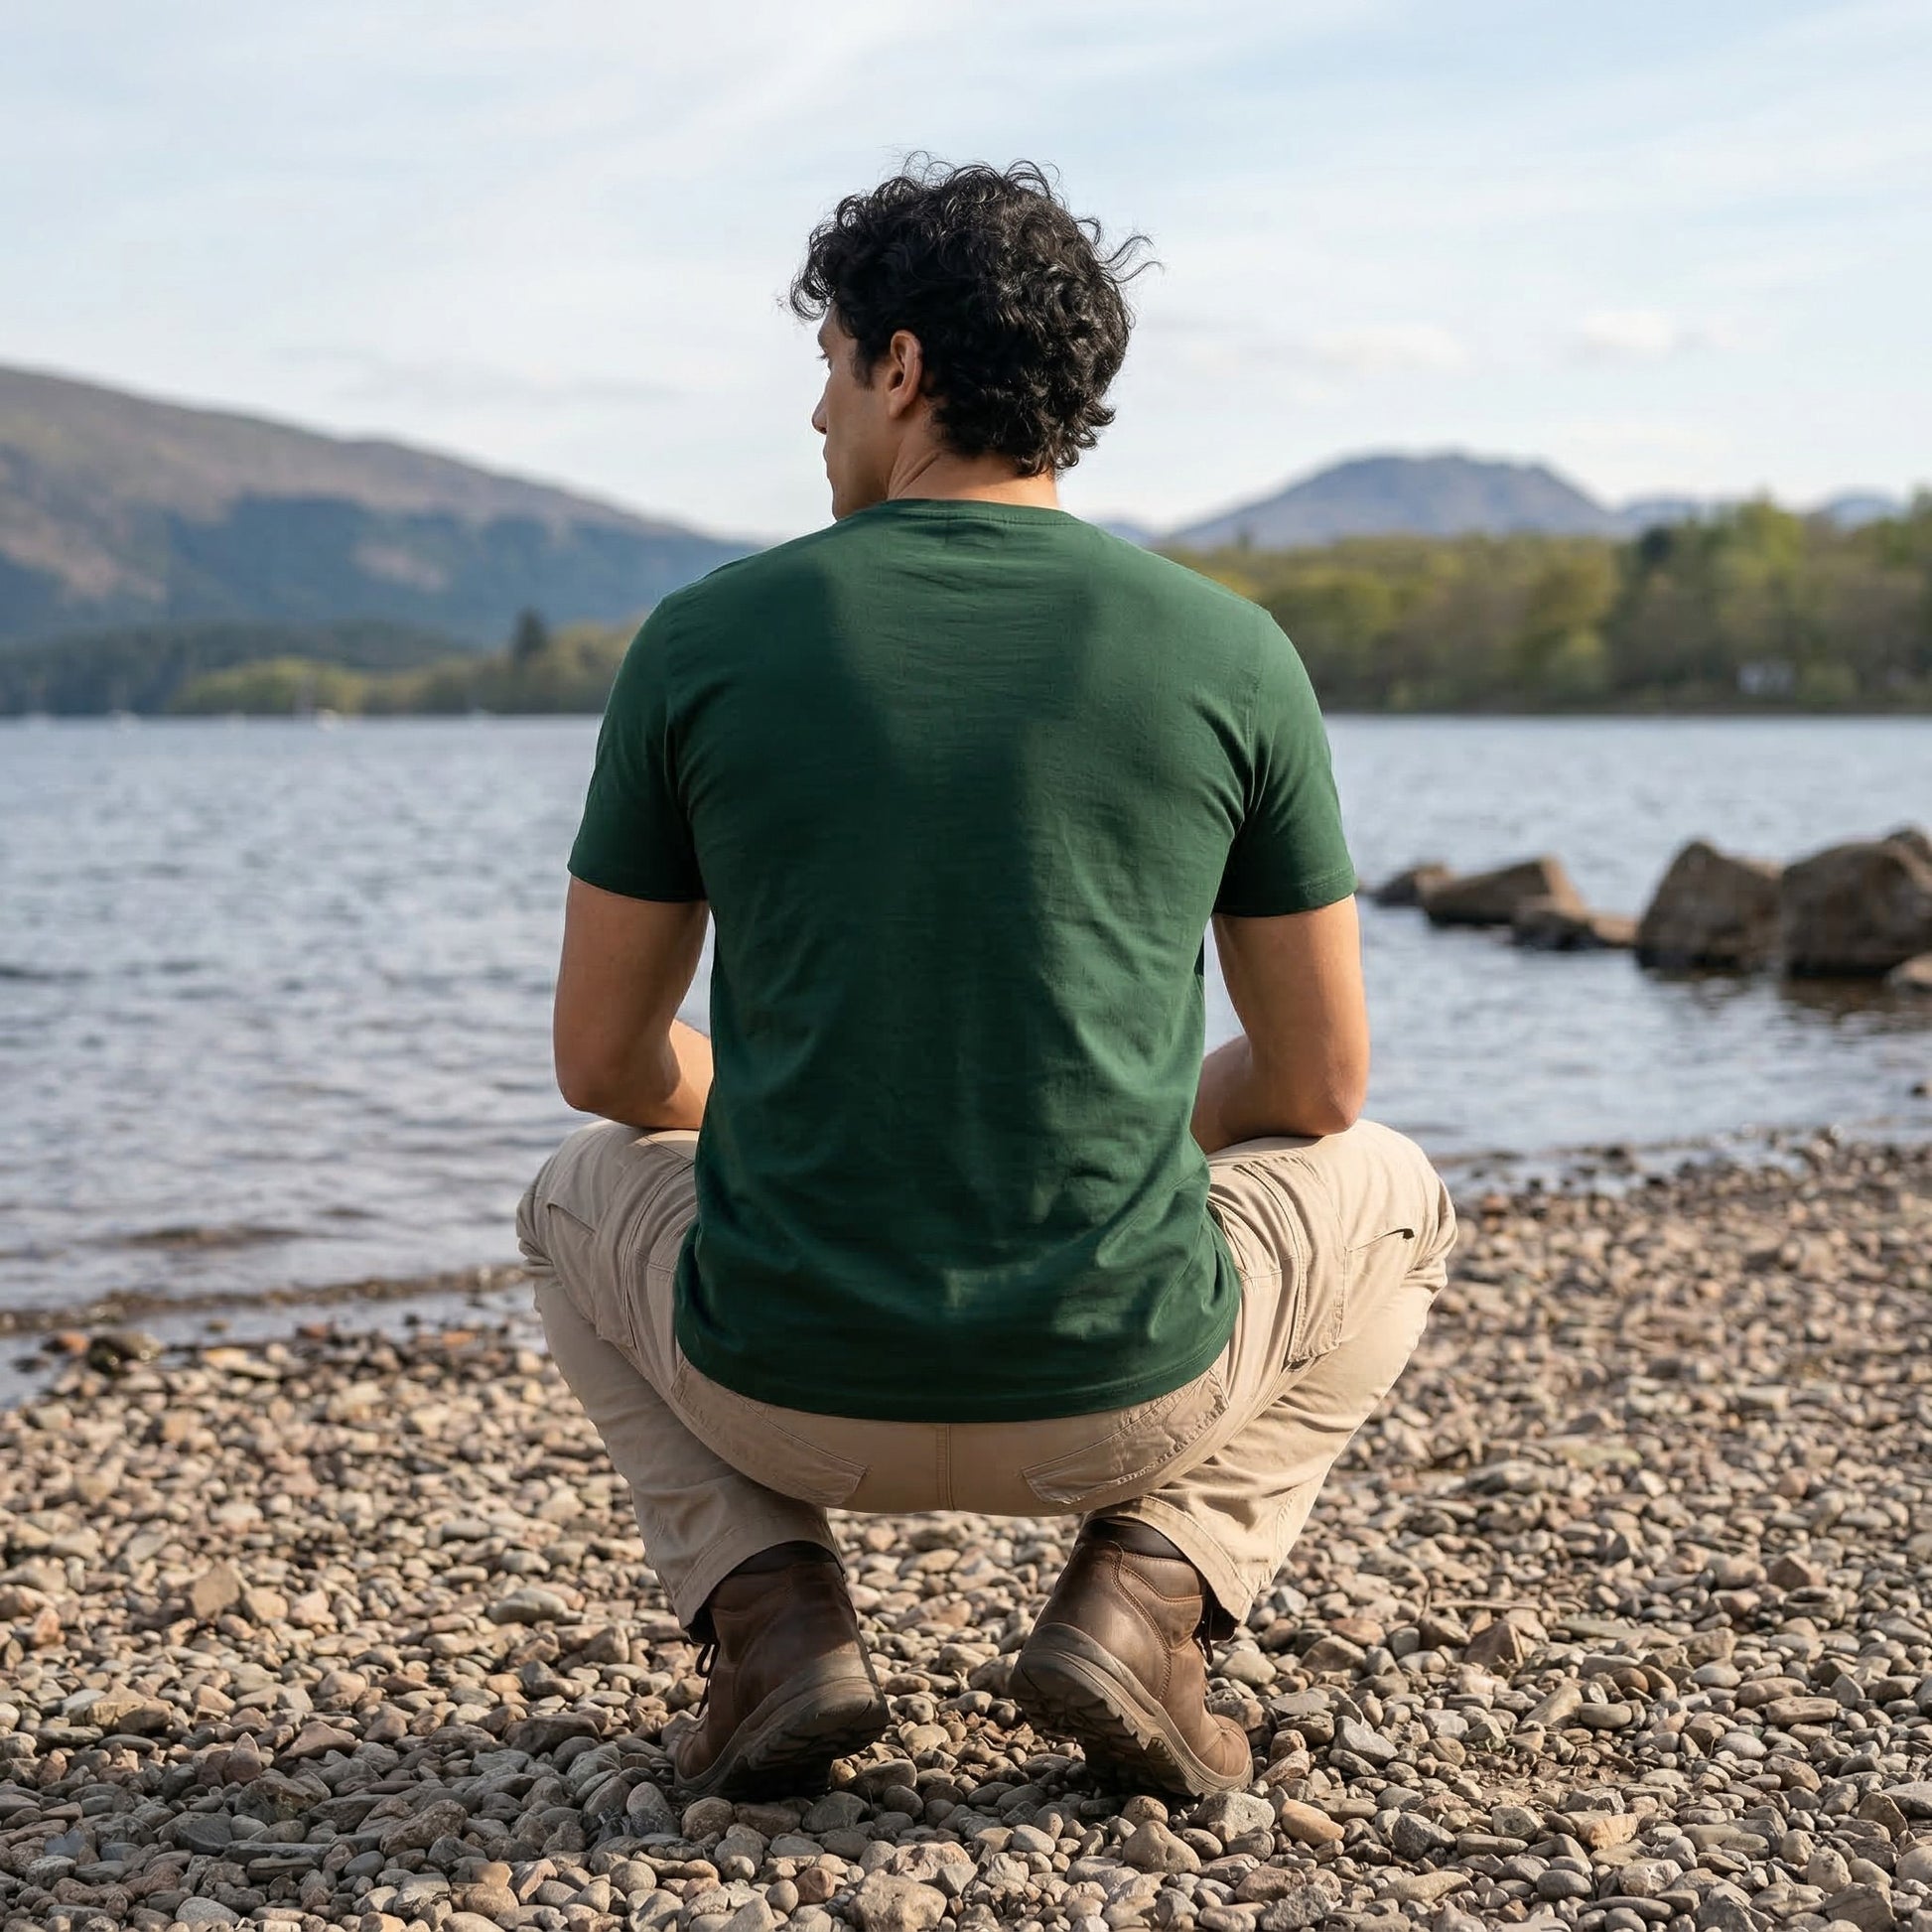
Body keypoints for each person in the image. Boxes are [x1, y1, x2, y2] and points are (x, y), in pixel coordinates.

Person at [515, 158, 1457, 1803]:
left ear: (900, 367)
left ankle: (768, 1608)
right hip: (1123, 1393)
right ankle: (1149, 1590)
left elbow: (604, 1063)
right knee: (1390, 1188)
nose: (817, 412)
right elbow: (1316, 1086)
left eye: (828, 364)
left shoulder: (700, 640)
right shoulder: (1232, 651)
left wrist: (791, 1110)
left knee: (572, 1191)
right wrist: (1130, 1118)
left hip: (777, 1390)